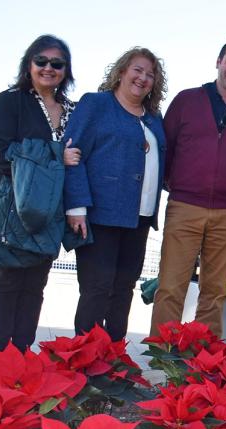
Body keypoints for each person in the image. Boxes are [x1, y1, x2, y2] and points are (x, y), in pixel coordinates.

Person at [150, 39, 226, 336]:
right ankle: (162, 355)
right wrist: (181, 186)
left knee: (215, 292)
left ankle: (203, 361)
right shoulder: (186, 100)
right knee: (170, 286)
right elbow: (166, 150)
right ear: (218, 62)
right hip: (185, 206)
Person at [0, 34, 81, 351]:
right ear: (29, 65)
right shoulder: (11, 101)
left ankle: (21, 357)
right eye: (42, 61)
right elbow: (0, 153)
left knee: (35, 285)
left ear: (66, 69)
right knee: (6, 281)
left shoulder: (72, 111)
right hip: (12, 206)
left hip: (51, 211)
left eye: (57, 63)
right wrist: (53, 157)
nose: (49, 68)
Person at [63, 47, 166, 341]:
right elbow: (73, 155)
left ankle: (114, 359)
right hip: (99, 214)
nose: (143, 78)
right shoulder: (96, 105)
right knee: (97, 289)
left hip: (140, 217)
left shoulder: (154, 118)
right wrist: (76, 206)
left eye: (150, 74)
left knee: (124, 289)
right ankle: (85, 362)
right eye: (137, 70)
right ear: (121, 72)